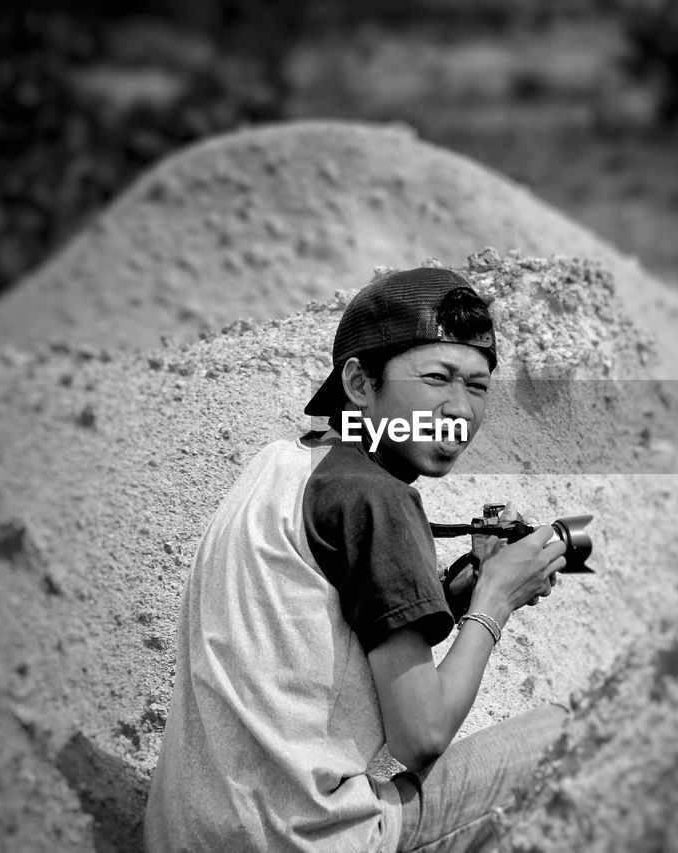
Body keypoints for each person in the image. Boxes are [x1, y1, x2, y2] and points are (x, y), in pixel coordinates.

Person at [144, 267, 570, 852]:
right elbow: (419, 735)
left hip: (186, 834)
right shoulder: (377, 498)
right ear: (360, 382)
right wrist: (498, 600)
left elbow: (331, 633)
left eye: (477, 386)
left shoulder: (283, 463)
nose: (459, 409)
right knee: (570, 734)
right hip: (302, 841)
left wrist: (458, 591)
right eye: (436, 377)